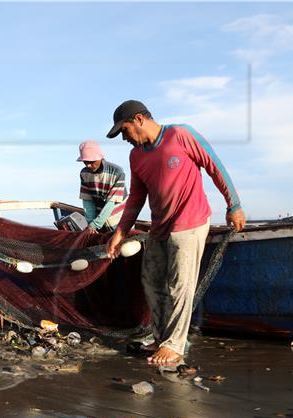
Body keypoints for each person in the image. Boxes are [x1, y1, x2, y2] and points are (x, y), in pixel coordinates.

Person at [105, 100, 246, 367]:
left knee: (180, 284)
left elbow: (215, 166)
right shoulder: (136, 156)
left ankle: (175, 345)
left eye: (124, 131)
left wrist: (234, 206)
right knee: (151, 280)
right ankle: (161, 338)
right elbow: (136, 197)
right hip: (160, 226)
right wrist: (119, 233)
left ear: (138, 119)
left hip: (190, 222)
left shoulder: (180, 135)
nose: (124, 138)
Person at [76, 140, 127, 233]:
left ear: (100, 157)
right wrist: (90, 223)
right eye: (85, 162)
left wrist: (95, 224)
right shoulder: (84, 173)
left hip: (120, 219)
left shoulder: (117, 172)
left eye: (91, 161)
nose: (88, 165)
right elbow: (87, 201)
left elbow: (111, 203)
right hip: (99, 219)